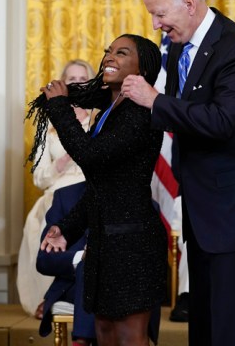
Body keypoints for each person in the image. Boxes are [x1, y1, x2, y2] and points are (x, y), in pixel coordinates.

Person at [121, 0, 235, 346]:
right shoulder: (180, 46)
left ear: (190, 3)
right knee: (206, 324)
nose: (156, 24)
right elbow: (185, 116)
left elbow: (222, 120)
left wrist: (155, 100)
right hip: (203, 206)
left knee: (233, 327)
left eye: (160, 13)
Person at [27, 34, 167, 346]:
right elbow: (101, 187)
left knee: (130, 337)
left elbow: (90, 156)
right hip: (105, 241)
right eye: (108, 52)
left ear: (142, 70)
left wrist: (61, 108)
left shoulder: (139, 113)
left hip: (132, 242)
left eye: (121, 52)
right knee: (103, 333)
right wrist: (66, 227)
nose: (109, 58)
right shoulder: (108, 111)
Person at [17, 59, 95, 318]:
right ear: (63, 84)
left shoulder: (98, 117)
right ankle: (48, 297)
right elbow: (39, 178)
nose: (77, 83)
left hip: (91, 190)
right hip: (57, 190)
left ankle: (75, 292)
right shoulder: (48, 124)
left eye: (82, 78)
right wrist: (60, 163)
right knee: (43, 224)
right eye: (71, 79)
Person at [36, 181, 97, 345]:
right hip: (73, 285)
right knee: (89, 266)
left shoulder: (134, 196)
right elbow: (44, 260)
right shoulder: (65, 196)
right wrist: (81, 257)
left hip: (118, 283)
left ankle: (81, 340)